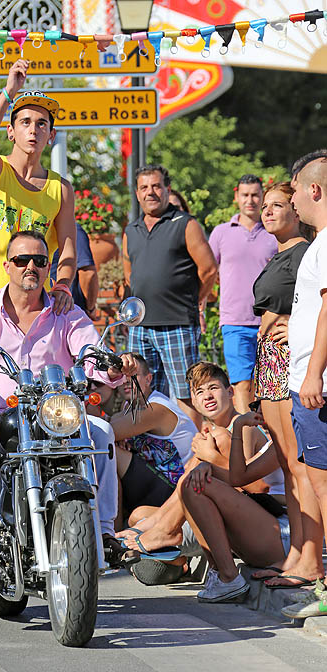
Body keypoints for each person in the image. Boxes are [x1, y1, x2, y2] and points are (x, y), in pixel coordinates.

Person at [0, 230, 138, 575]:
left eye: (39, 261)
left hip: (53, 413)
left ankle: (103, 531)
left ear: (48, 267)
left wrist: (113, 364)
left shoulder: (65, 313)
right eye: (22, 260)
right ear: (7, 265)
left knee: (100, 432)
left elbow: (91, 352)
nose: (30, 267)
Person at [0, 58, 76, 313]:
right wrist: (8, 92)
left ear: (51, 135)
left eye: (42, 123)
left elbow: (67, 251)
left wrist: (63, 284)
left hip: (28, 310)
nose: (34, 130)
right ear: (10, 131)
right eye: (25, 122)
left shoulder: (60, 189)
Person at [118, 362, 272, 558]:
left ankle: (166, 540)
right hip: (222, 509)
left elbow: (254, 489)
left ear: (230, 392)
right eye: (200, 391)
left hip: (254, 517)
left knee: (146, 538)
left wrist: (211, 458)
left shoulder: (243, 427)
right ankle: (164, 537)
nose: (207, 396)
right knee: (138, 515)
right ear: (194, 401)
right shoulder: (211, 432)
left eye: (213, 388)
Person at [251, 183, 323, 589]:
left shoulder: (305, 252)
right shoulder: (277, 254)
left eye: (279, 205)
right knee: (286, 465)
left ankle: (311, 558)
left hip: (289, 361)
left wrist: (292, 329)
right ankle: (295, 553)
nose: (269, 211)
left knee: (301, 466)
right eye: (265, 206)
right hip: (270, 362)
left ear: (296, 211)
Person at [123, 165, 217, 428]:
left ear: (167, 190)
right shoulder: (131, 230)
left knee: (187, 395)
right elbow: (129, 274)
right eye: (144, 187)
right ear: (137, 193)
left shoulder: (185, 224)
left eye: (156, 186)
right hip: (140, 327)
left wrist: (194, 301)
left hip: (178, 324)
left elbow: (209, 269)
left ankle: (193, 455)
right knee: (143, 394)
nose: (150, 192)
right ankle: (154, 454)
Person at [279, 150, 327, 620]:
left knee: (323, 484)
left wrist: (313, 372)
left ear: (314, 190)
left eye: (294, 189)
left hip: (319, 384)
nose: (291, 199)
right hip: (312, 380)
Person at [181, 410, 289, 603]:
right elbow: (241, 478)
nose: (258, 412)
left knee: (195, 484)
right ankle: (220, 573)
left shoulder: (288, 439)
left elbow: (256, 486)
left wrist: (212, 460)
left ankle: (228, 577)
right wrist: (208, 464)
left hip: (284, 536)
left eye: (262, 405)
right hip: (271, 531)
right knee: (192, 483)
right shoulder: (272, 443)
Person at [209, 175, 278, 413]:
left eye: (255, 195)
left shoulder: (274, 232)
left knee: (271, 387)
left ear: (262, 197)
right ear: (236, 196)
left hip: (271, 322)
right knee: (242, 384)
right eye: (245, 195)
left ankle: (272, 443)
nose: (250, 200)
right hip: (234, 322)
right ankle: (247, 443)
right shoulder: (220, 233)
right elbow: (207, 273)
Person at [111, 353, 197, 524]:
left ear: (148, 379)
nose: (127, 381)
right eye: (122, 376)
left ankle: (113, 531)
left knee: (109, 453)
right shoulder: (129, 405)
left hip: (176, 488)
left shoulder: (156, 408)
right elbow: (113, 426)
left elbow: (108, 431)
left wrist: (117, 436)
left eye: (133, 375)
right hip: (155, 480)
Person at [51, 222, 99, 320]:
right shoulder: (73, 230)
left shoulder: (71, 230)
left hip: (59, 309)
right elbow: (88, 273)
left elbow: (87, 272)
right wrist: (90, 308)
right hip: (66, 312)